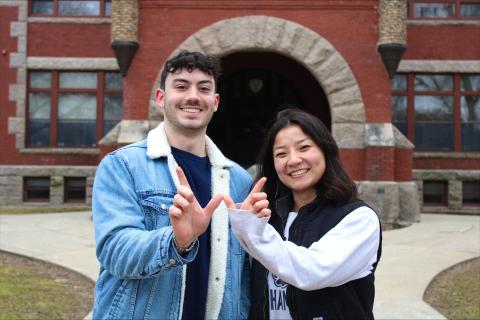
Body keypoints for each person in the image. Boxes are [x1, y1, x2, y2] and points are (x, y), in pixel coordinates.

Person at [92, 51, 253, 320]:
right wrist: (177, 242)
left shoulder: (238, 181)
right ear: (160, 98)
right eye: (181, 86)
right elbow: (114, 251)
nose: (193, 96)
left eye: (203, 88)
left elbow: (244, 274)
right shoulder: (123, 166)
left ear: (215, 102)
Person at [226, 108, 382, 320]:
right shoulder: (267, 218)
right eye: (281, 153)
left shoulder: (359, 219)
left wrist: (252, 231)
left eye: (304, 147)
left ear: (325, 150)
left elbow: (310, 271)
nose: (293, 160)